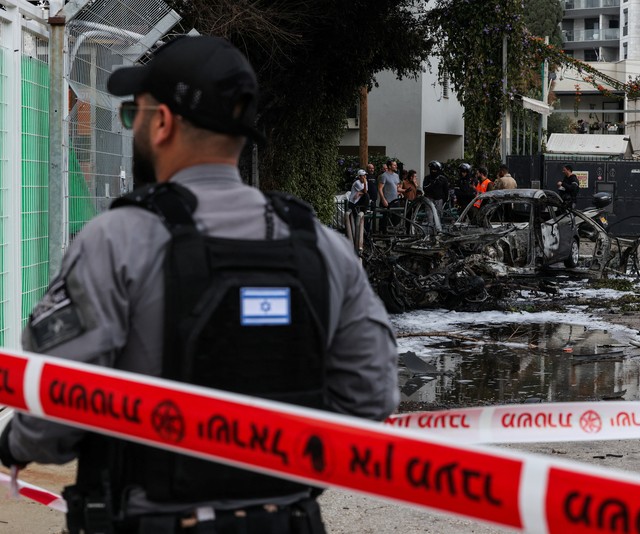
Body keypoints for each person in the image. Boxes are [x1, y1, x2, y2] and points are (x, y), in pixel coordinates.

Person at [0, 36, 398, 533]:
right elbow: (372, 397)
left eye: (134, 115)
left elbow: (56, 409)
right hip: (289, 520)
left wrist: (15, 442)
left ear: (162, 122)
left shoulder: (117, 240)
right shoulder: (321, 246)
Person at [377, 159, 400, 232]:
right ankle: (382, 235)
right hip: (387, 201)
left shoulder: (396, 175)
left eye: (396, 165)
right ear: (389, 166)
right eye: (394, 165)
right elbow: (380, 188)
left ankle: (393, 234)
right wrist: (383, 199)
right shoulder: (384, 176)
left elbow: (397, 187)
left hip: (395, 201)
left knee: (396, 219)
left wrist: (402, 192)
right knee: (384, 220)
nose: (396, 166)